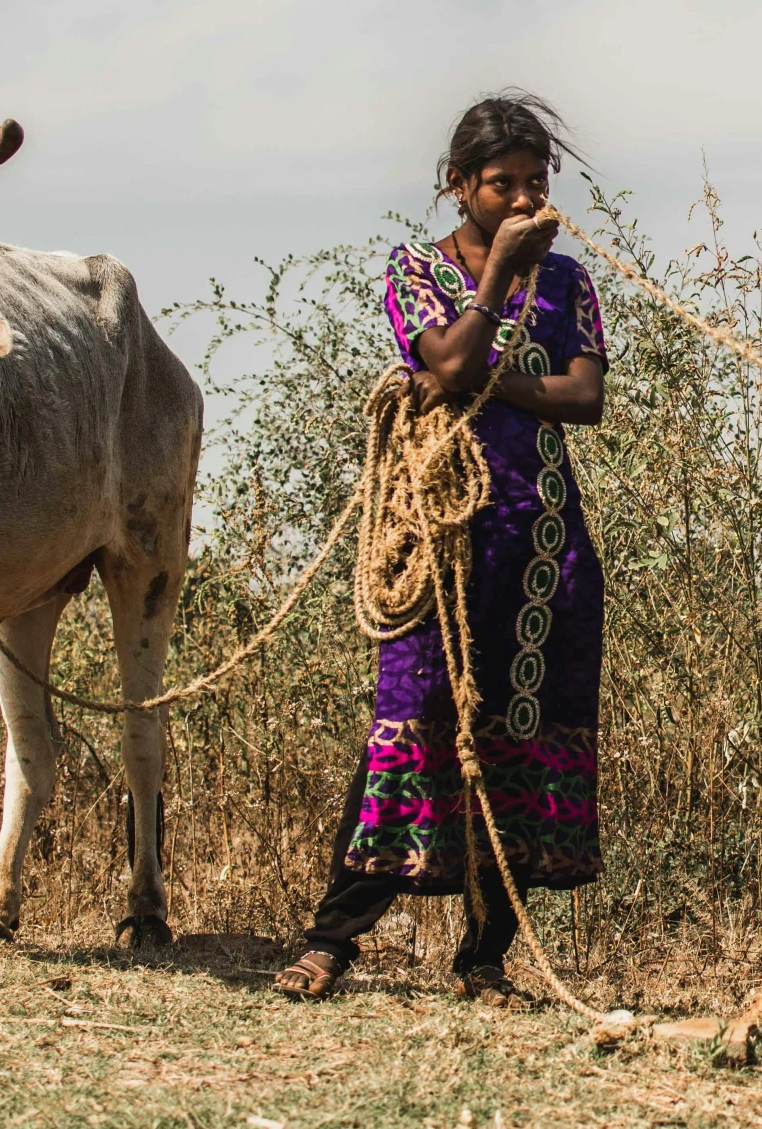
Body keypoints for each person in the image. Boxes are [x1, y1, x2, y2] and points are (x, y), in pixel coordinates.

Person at [275, 94, 608, 1001]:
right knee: (413, 719)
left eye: (535, 181)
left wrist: (479, 377)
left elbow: (583, 396)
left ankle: (485, 956)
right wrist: (495, 283)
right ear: (457, 184)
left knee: (519, 739)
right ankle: (333, 938)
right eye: (500, 182)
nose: (520, 196)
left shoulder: (572, 283)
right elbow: (448, 359)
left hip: (544, 551)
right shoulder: (415, 268)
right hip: (441, 547)